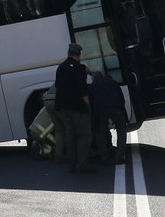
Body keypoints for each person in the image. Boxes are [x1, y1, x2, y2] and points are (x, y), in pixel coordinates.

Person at [53, 42, 94, 173]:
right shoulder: (79, 68)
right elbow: (82, 89)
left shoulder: (60, 67)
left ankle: (73, 164)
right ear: (79, 55)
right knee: (84, 135)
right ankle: (82, 165)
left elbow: (59, 86)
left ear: (69, 54)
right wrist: (88, 104)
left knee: (70, 134)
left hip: (62, 108)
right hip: (77, 107)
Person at [89, 71, 128, 164]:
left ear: (93, 79)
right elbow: (121, 97)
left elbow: (91, 102)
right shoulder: (113, 82)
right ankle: (120, 157)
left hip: (101, 110)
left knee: (100, 133)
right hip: (116, 108)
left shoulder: (92, 86)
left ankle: (104, 157)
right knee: (121, 131)